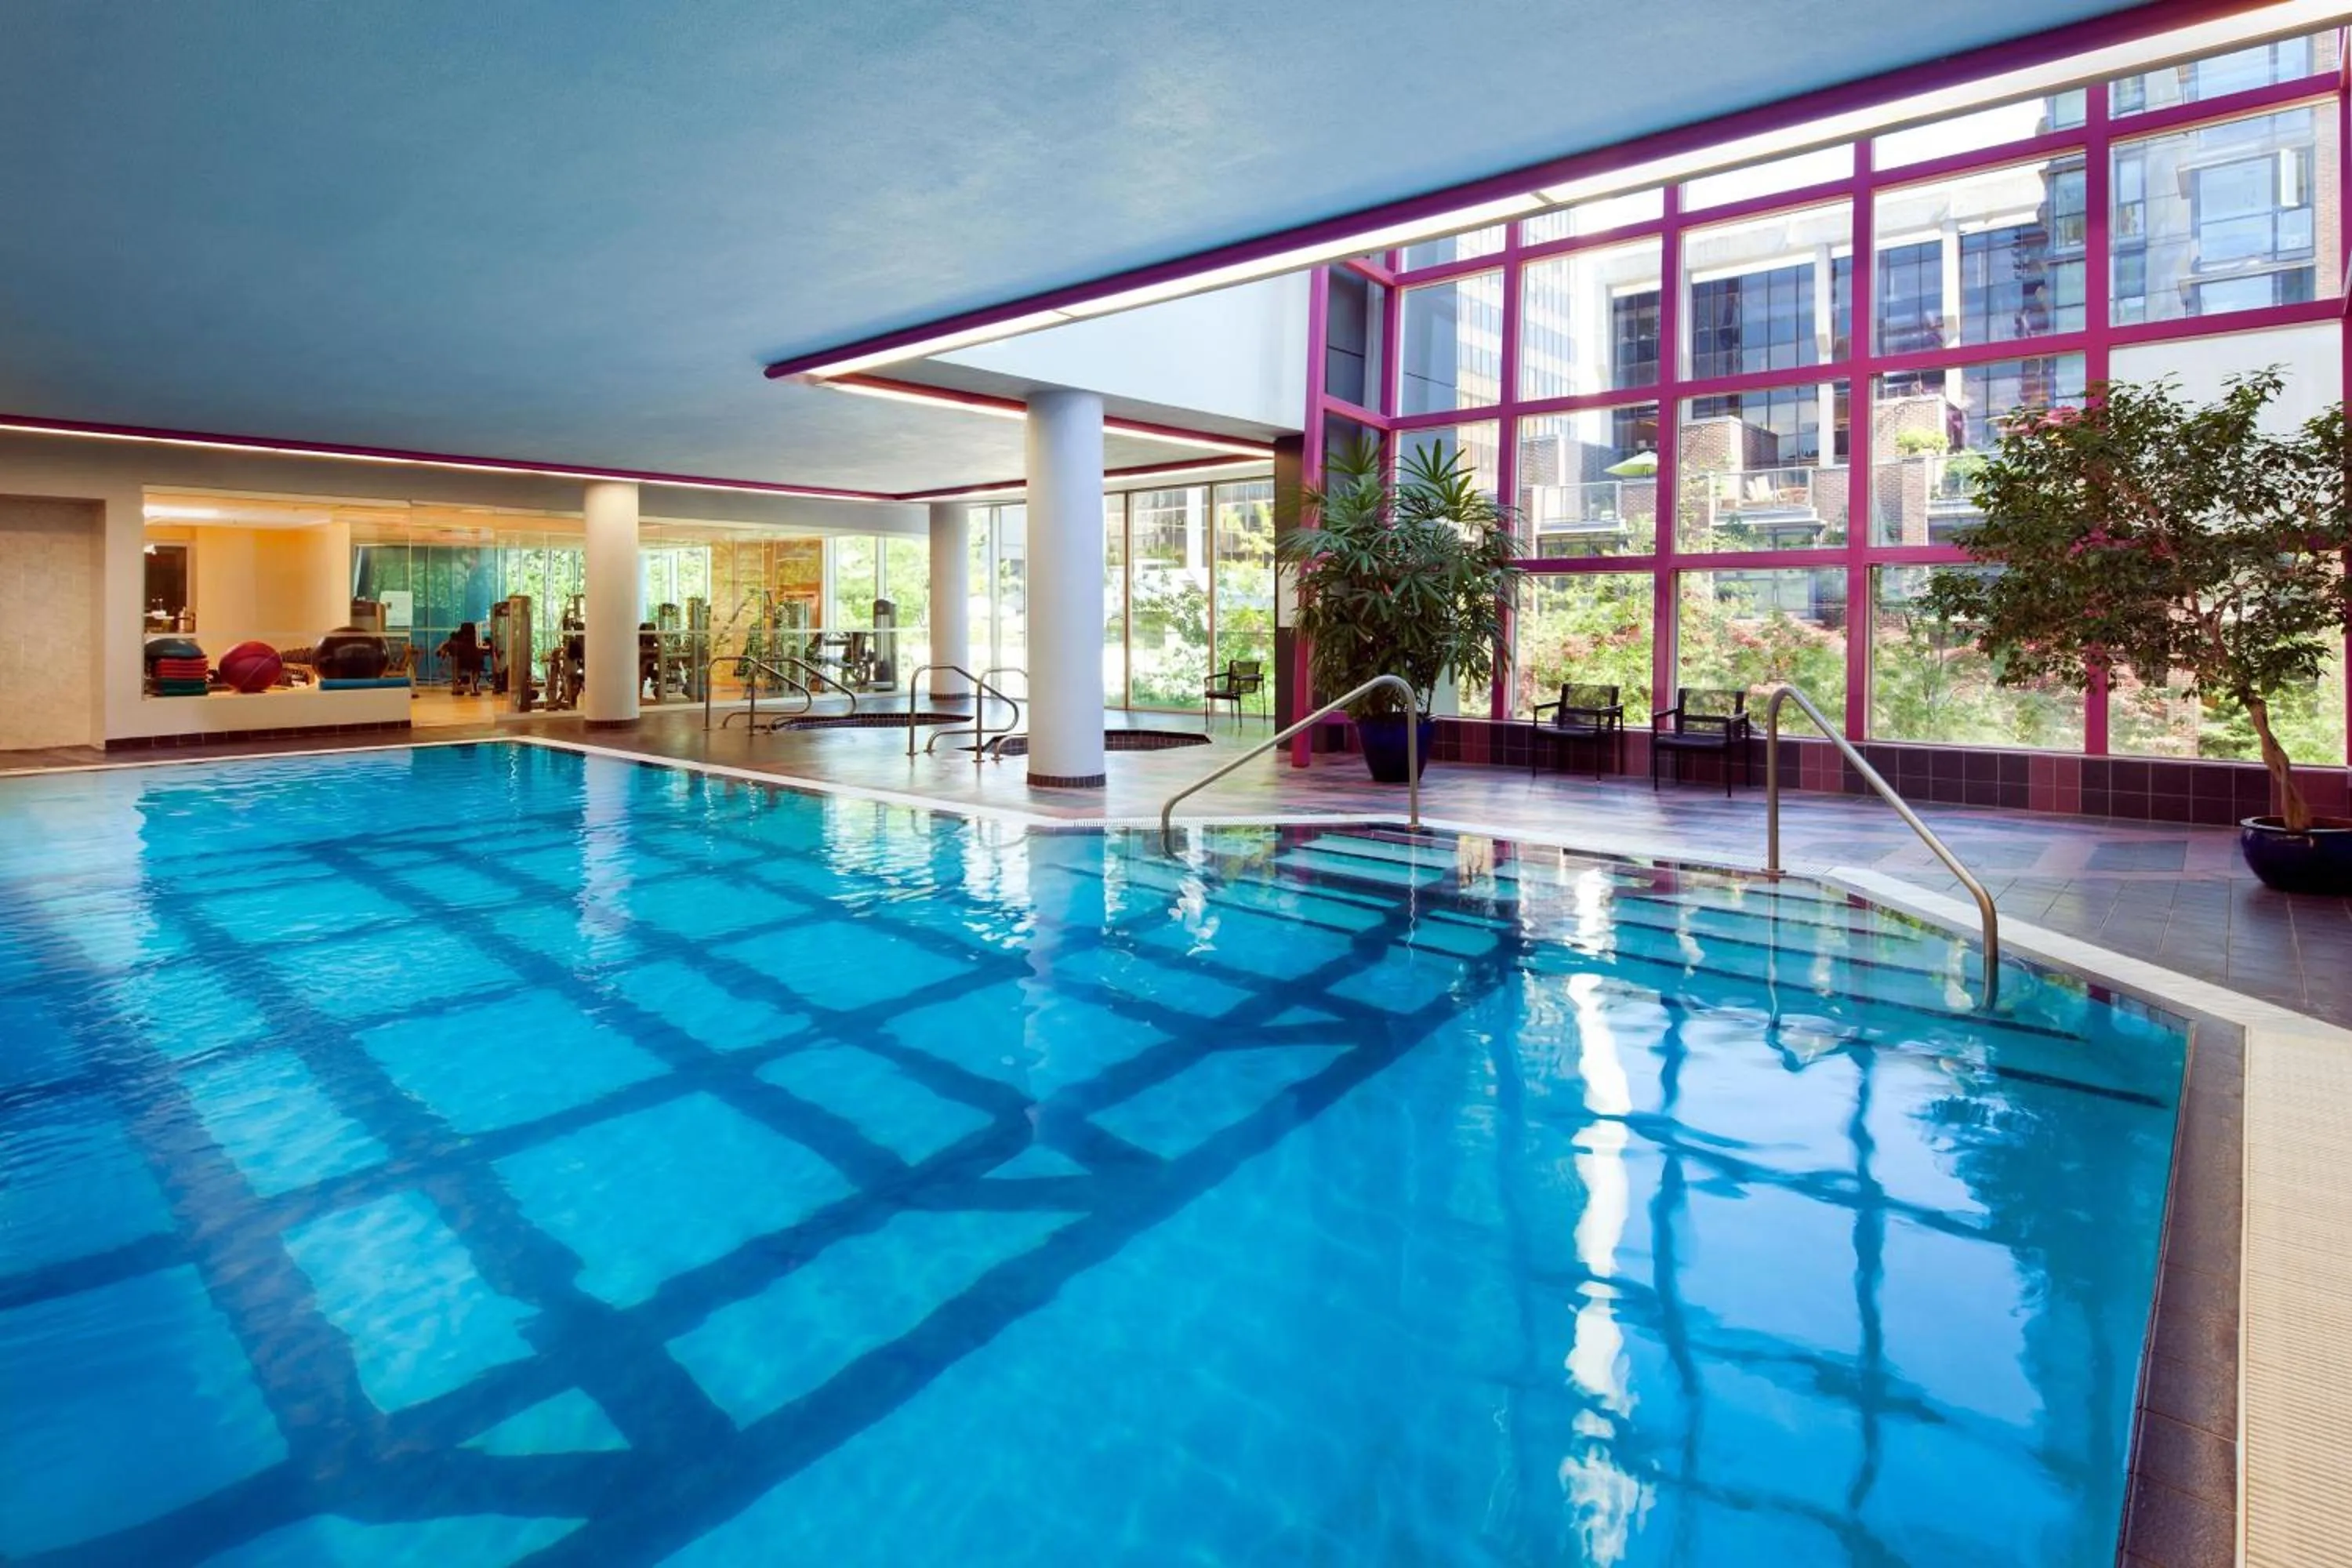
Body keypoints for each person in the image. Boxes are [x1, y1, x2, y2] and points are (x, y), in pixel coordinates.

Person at [437, 622, 488, 696]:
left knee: (459, 662)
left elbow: (446, 645)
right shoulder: (474, 641)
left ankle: (459, 683)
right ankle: (474, 686)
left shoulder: (456, 639)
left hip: (460, 663)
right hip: (474, 663)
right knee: (477, 663)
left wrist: (443, 650)